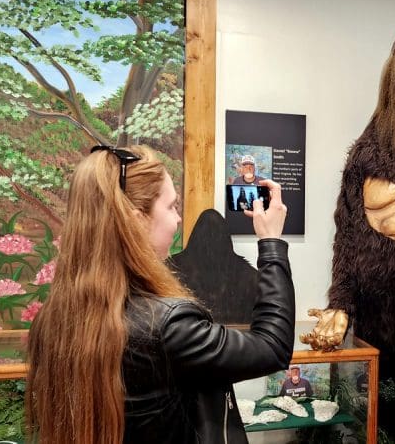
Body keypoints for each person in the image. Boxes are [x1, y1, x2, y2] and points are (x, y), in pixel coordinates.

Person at [26, 144, 294, 444]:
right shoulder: (167, 326)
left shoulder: (50, 320)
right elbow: (272, 347)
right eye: (171, 207)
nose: (178, 219)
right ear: (136, 219)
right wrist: (271, 243)